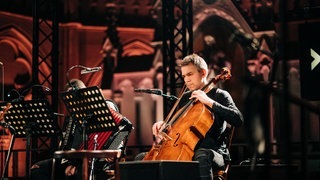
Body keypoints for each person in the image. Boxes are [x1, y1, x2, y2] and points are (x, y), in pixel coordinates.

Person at [151, 53, 244, 179]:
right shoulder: (185, 98)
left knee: (202, 154)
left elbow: (238, 119)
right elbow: (178, 126)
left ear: (203, 73)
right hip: (186, 149)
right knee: (143, 158)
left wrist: (209, 102)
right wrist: (163, 126)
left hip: (214, 152)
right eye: (184, 76)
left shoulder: (220, 95)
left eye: (190, 74)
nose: (186, 80)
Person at [30, 79, 129, 180]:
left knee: (78, 173)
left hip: (96, 161)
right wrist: (69, 163)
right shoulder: (71, 118)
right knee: (37, 169)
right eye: (69, 98)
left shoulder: (106, 105)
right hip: (73, 160)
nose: (73, 101)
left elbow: (121, 129)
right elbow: (68, 146)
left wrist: (114, 147)